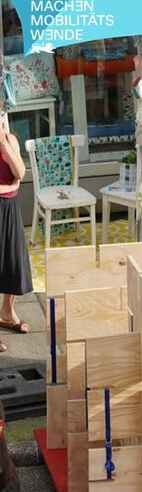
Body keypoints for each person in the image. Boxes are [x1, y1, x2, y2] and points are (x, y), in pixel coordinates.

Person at [0, 119, 32, 353]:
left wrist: (3, 142)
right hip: (6, 201)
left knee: (14, 262)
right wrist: (10, 186)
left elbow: (20, 172)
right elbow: (14, 181)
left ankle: (7, 312)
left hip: (9, 209)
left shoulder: (9, 140)